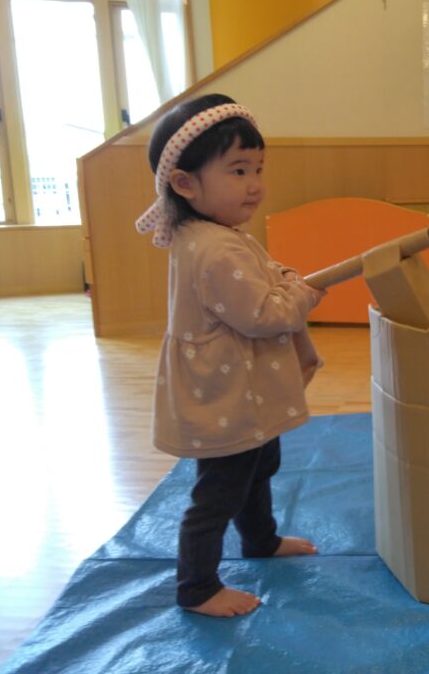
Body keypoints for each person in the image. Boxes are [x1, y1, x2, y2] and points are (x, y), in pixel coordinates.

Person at [135, 94, 325, 616]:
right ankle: (197, 587)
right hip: (226, 394)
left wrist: (283, 277)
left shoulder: (212, 234)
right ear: (185, 184)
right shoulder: (215, 247)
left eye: (258, 169)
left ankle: (259, 539)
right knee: (219, 490)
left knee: (258, 464)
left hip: (239, 388)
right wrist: (304, 294)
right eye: (238, 171)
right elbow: (263, 314)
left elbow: (256, 276)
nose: (255, 184)